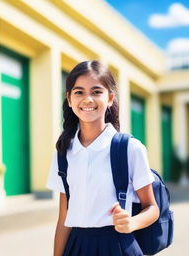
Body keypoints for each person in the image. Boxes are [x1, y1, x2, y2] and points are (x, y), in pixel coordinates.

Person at [46, 60, 159, 256]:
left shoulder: (130, 148)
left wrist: (131, 222)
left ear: (110, 98)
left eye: (97, 91)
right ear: (69, 98)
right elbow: (64, 217)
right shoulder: (63, 152)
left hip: (118, 245)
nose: (87, 99)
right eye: (79, 92)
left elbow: (152, 208)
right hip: (76, 247)